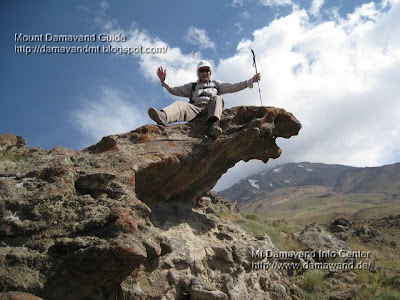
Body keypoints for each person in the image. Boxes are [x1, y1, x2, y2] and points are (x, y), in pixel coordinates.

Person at [148, 60, 261, 137]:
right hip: (195, 110)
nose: (204, 73)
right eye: (201, 70)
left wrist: (251, 81)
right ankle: (163, 117)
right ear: (198, 73)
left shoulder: (216, 84)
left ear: (210, 72)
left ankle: (213, 126)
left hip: (209, 111)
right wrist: (163, 81)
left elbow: (234, 86)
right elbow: (174, 90)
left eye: (207, 70)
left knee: (217, 98)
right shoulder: (192, 86)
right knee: (179, 104)